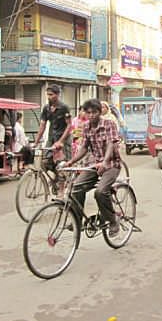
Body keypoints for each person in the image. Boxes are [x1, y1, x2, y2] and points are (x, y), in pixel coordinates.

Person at [62, 99, 122, 235]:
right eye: (88, 112)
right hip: (95, 165)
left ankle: (113, 221)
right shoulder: (87, 126)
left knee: (100, 192)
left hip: (112, 164)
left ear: (100, 112)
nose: (91, 115)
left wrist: (105, 161)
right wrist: (71, 162)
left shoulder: (109, 124)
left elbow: (111, 143)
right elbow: (84, 147)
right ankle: (77, 220)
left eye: (94, 112)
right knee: (76, 187)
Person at [34, 84, 72, 162]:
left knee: (64, 162)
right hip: (51, 138)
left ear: (57, 94)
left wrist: (61, 141)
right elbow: (42, 126)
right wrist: (36, 142)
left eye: (51, 95)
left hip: (63, 138)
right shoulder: (46, 108)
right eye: (47, 94)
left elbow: (69, 125)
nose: (49, 97)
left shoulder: (64, 108)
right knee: (46, 160)